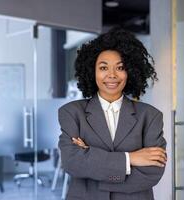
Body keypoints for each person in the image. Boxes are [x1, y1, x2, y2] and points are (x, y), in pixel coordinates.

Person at [58, 27, 167, 200]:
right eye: (103, 67)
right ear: (92, 71)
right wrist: (130, 158)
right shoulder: (71, 113)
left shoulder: (151, 116)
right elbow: (72, 163)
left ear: (130, 71)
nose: (111, 75)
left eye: (120, 67)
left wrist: (93, 163)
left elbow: (152, 172)